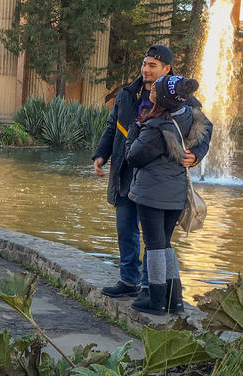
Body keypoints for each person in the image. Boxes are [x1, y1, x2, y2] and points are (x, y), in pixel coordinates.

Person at [92, 45, 211, 299]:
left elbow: (204, 127)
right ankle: (129, 279)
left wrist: (197, 153)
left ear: (167, 69)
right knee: (126, 228)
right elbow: (112, 127)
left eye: (152, 65)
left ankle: (150, 286)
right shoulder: (127, 94)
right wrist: (101, 154)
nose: (145, 69)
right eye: (144, 64)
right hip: (126, 171)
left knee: (156, 237)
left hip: (159, 179)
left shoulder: (183, 98)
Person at [125, 76, 211, 315]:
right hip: (176, 195)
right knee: (165, 244)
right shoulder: (190, 117)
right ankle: (175, 299)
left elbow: (133, 156)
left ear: (162, 99)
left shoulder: (156, 129)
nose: (150, 91)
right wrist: (194, 154)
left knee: (153, 246)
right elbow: (207, 130)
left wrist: (134, 130)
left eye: (154, 90)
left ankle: (156, 300)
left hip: (152, 194)